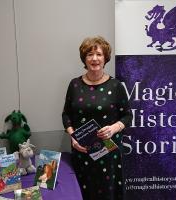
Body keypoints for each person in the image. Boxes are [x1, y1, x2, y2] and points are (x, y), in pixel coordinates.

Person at [62, 36, 133, 200]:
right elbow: (66, 115)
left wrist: (114, 128)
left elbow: (128, 115)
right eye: (89, 54)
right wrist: (73, 137)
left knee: (108, 193)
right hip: (82, 151)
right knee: (83, 192)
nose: (94, 58)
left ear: (105, 58)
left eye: (99, 54)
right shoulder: (74, 85)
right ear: (84, 59)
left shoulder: (116, 85)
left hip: (109, 154)